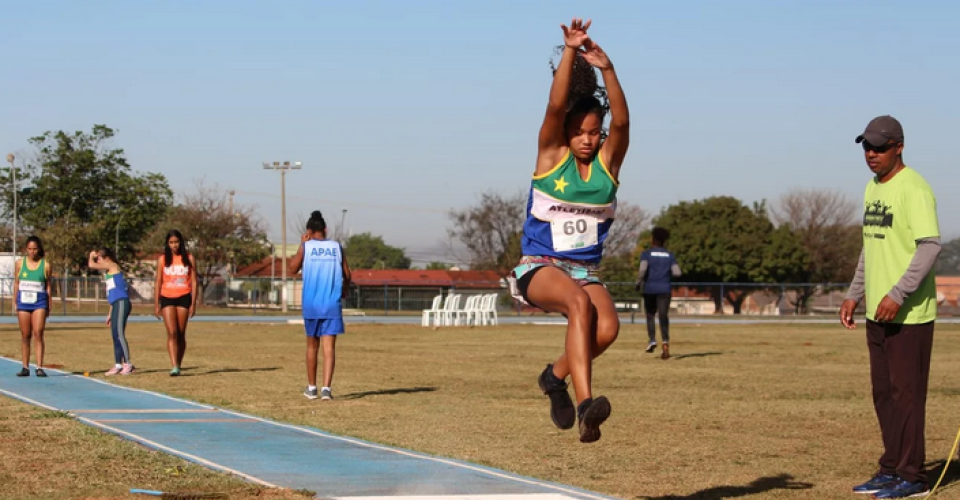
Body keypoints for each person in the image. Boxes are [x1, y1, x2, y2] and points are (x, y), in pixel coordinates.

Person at [508, 18, 630, 443]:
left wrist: (608, 69)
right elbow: (555, 108)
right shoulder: (550, 155)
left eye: (594, 132)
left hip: (585, 270)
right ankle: (585, 405)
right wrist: (570, 52)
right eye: (578, 132)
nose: (586, 139)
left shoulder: (607, 167)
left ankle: (553, 377)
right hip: (539, 267)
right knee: (578, 304)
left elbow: (623, 125)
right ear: (566, 133)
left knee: (608, 329)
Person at [840, 115, 941, 499]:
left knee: (907, 394)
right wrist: (855, 292)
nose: (871, 154)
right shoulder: (872, 188)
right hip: (876, 313)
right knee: (883, 393)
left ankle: (913, 476)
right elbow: (872, 245)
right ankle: (891, 467)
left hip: (909, 315)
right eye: (867, 146)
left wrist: (898, 294)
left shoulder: (914, 188)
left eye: (880, 147)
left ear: (899, 146)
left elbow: (930, 245)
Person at [289, 211, 351, 401]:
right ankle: (326, 389)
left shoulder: (306, 247)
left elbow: (292, 269)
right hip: (331, 304)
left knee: (311, 346)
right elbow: (347, 274)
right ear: (325, 229)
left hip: (312, 304)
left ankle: (311, 388)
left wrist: (302, 245)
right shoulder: (337, 247)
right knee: (329, 347)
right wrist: (344, 290)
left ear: (308, 231)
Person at [153, 229, 197, 377]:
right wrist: (156, 303)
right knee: (171, 332)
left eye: (176, 242)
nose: (174, 245)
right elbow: (158, 281)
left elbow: (195, 281)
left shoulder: (189, 258)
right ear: (167, 244)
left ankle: (179, 362)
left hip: (184, 296)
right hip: (167, 297)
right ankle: (174, 365)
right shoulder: (162, 260)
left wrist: (193, 303)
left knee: (180, 333)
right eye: (171, 242)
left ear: (181, 242)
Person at [635, 227, 681, 360]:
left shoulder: (647, 254)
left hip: (650, 289)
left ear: (653, 239)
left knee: (650, 315)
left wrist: (638, 283)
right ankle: (665, 342)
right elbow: (677, 272)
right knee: (663, 316)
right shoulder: (670, 255)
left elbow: (643, 270)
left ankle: (652, 340)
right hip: (665, 289)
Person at [88, 248, 134, 375]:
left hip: (122, 302)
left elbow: (91, 265)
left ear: (106, 258)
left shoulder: (113, 265)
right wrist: (110, 313)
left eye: (99, 259)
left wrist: (91, 255)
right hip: (115, 304)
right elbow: (113, 293)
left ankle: (128, 363)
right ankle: (118, 364)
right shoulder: (109, 272)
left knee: (119, 333)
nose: (98, 261)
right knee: (115, 335)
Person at [13, 236, 52, 377]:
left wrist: (49, 304)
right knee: (25, 335)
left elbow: (48, 286)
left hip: (40, 302)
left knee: (38, 333)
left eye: (35, 249)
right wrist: (15, 300)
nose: (32, 252)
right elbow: (17, 283)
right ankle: (25, 367)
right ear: (26, 249)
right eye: (29, 249)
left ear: (39, 249)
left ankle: (39, 367)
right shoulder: (19, 264)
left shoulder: (45, 265)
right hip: (23, 302)